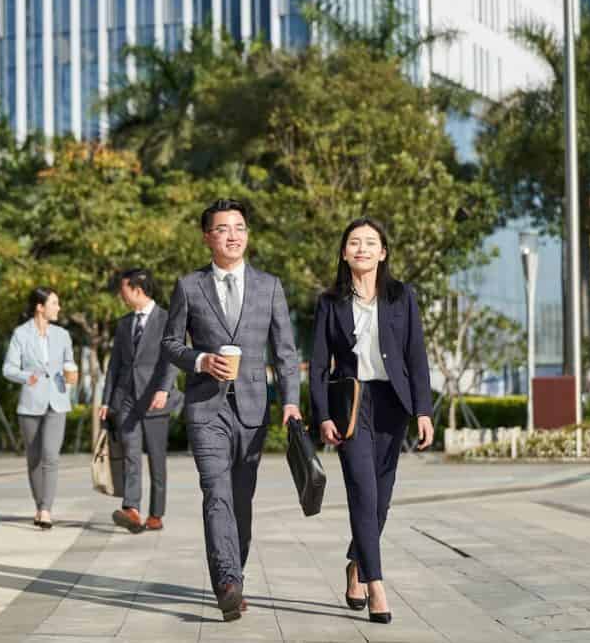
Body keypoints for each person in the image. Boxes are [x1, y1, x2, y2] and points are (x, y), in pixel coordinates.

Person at [162, 198, 302, 622]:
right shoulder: (189, 286)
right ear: (208, 237)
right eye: (223, 229)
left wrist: (292, 401)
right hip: (206, 408)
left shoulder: (270, 286)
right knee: (216, 493)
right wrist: (202, 360)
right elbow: (170, 345)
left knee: (241, 500)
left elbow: (286, 351)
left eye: (239, 227)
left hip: (254, 410)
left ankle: (234, 572)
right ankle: (226, 582)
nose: (233, 235)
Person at [308, 217, 435, 624]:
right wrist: (322, 414)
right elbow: (316, 366)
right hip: (351, 405)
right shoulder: (330, 302)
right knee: (362, 490)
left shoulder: (402, 297)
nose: (361, 249)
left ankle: (354, 562)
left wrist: (423, 410)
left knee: (381, 498)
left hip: (391, 404)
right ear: (344, 253)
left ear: (383, 252)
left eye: (370, 242)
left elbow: (416, 356)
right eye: (354, 243)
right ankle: (375, 583)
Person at [99, 268, 181, 533]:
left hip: (155, 399)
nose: (121, 295)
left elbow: (172, 359)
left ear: (137, 289)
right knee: (131, 456)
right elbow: (115, 365)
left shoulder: (167, 320)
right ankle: (131, 509)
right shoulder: (124, 324)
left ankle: (156, 514)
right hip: (127, 401)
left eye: (124, 290)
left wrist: (164, 390)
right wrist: (106, 400)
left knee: (157, 460)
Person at [2, 287, 78, 530]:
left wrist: (72, 374)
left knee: (51, 456)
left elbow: (70, 364)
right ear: (40, 307)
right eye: (54, 303)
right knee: (34, 458)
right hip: (30, 403)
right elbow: (8, 369)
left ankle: (46, 509)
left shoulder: (63, 335)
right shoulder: (21, 334)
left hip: (57, 401)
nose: (59, 308)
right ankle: (39, 505)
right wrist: (27, 376)